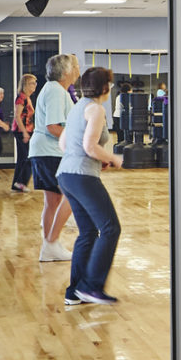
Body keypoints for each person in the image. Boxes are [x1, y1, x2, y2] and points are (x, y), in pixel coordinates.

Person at [56, 66, 125, 306]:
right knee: (110, 228)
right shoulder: (95, 109)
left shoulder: (78, 106)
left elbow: (64, 143)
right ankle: (91, 286)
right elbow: (88, 146)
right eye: (110, 83)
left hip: (66, 174)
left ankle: (74, 291)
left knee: (88, 232)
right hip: (82, 177)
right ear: (104, 87)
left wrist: (97, 157)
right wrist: (113, 158)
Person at [31, 54, 80, 262]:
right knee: (73, 195)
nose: (78, 70)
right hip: (50, 152)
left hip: (47, 151)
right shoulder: (56, 92)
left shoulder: (56, 90)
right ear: (67, 72)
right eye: (76, 66)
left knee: (52, 201)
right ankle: (51, 242)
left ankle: (50, 246)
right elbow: (53, 127)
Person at [10, 74, 37, 194]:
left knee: (22, 158)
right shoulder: (21, 98)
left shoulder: (27, 97)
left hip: (26, 131)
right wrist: (25, 133)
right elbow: (17, 116)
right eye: (32, 83)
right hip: (22, 131)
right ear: (25, 84)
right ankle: (21, 182)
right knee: (29, 157)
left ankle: (17, 184)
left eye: (35, 82)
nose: (35, 85)